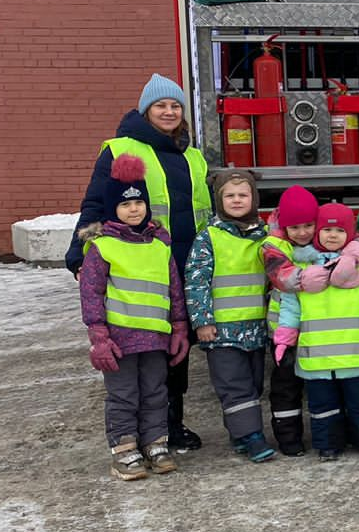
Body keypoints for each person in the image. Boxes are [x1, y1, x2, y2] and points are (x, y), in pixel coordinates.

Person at [68, 73, 212, 453]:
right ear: (146, 110)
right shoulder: (120, 150)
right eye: (161, 106)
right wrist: (79, 251)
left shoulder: (193, 156)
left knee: (177, 347)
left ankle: (169, 426)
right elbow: (96, 203)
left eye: (175, 106)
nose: (169, 111)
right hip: (140, 265)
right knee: (141, 349)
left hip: (183, 264)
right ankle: (134, 434)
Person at [77, 153, 190, 480]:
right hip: (119, 339)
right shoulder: (103, 246)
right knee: (124, 395)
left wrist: (180, 326)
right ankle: (124, 449)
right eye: (125, 205)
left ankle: (155, 443)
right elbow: (91, 293)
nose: (133, 209)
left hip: (155, 337)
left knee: (155, 392)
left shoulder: (159, 245)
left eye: (138, 202)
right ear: (113, 209)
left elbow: (174, 288)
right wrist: (98, 336)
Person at [273, 203, 359, 460]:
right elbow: (289, 309)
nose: (332, 235)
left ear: (350, 234)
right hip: (317, 359)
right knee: (323, 407)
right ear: (316, 232)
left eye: (339, 230)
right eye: (326, 229)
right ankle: (327, 445)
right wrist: (283, 339)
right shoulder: (299, 271)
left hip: (353, 354)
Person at [184, 168, 275, 463]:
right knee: (234, 385)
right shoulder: (209, 237)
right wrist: (203, 321)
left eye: (243, 195)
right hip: (221, 329)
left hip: (256, 327)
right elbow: (196, 281)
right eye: (229, 195)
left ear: (254, 198)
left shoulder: (265, 237)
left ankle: (239, 432)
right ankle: (253, 437)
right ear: (219, 199)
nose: (237, 200)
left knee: (253, 385)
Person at [260, 185, 323, 456]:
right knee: (286, 386)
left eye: (309, 225)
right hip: (283, 331)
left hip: (319, 326)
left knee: (323, 384)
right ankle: (288, 437)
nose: (302, 233)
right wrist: (322, 276)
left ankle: (328, 434)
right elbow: (282, 276)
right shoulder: (273, 245)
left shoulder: (325, 241)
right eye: (295, 227)